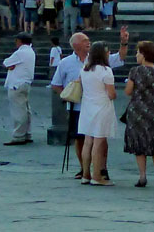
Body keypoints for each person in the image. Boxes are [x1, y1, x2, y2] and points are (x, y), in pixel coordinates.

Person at [51, 29, 129, 174]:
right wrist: (69, 94)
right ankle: (84, 168)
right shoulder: (65, 63)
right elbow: (56, 83)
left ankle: (101, 167)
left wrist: (124, 42)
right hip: (77, 107)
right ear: (75, 45)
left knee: (99, 139)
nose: (88, 42)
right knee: (81, 138)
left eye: (88, 40)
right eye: (84, 41)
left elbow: (120, 57)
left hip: (94, 106)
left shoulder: (97, 59)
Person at [124, 40, 154, 188]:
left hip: (137, 110)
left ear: (143, 55)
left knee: (139, 143)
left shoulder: (135, 71)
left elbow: (128, 91)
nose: (136, 55)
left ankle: (142, 176)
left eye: (138, 52)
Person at [79, 39, 120, 185]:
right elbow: (111, 94)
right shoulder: (106, 71)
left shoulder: (84, 69)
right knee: (98, 141)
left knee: (88, 141)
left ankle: (85, 174)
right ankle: (97, 176)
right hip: (102, 107)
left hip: (87, 106)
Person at [2, 31, 35, 144]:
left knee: (18, 110)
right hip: (25, 82)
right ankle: (27, 133)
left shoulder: (20, 53)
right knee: (25, 109)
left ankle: (19, 135)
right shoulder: (30, 51)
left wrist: (11, 66)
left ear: (20, 41)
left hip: (17, 84)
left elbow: (6, 63)